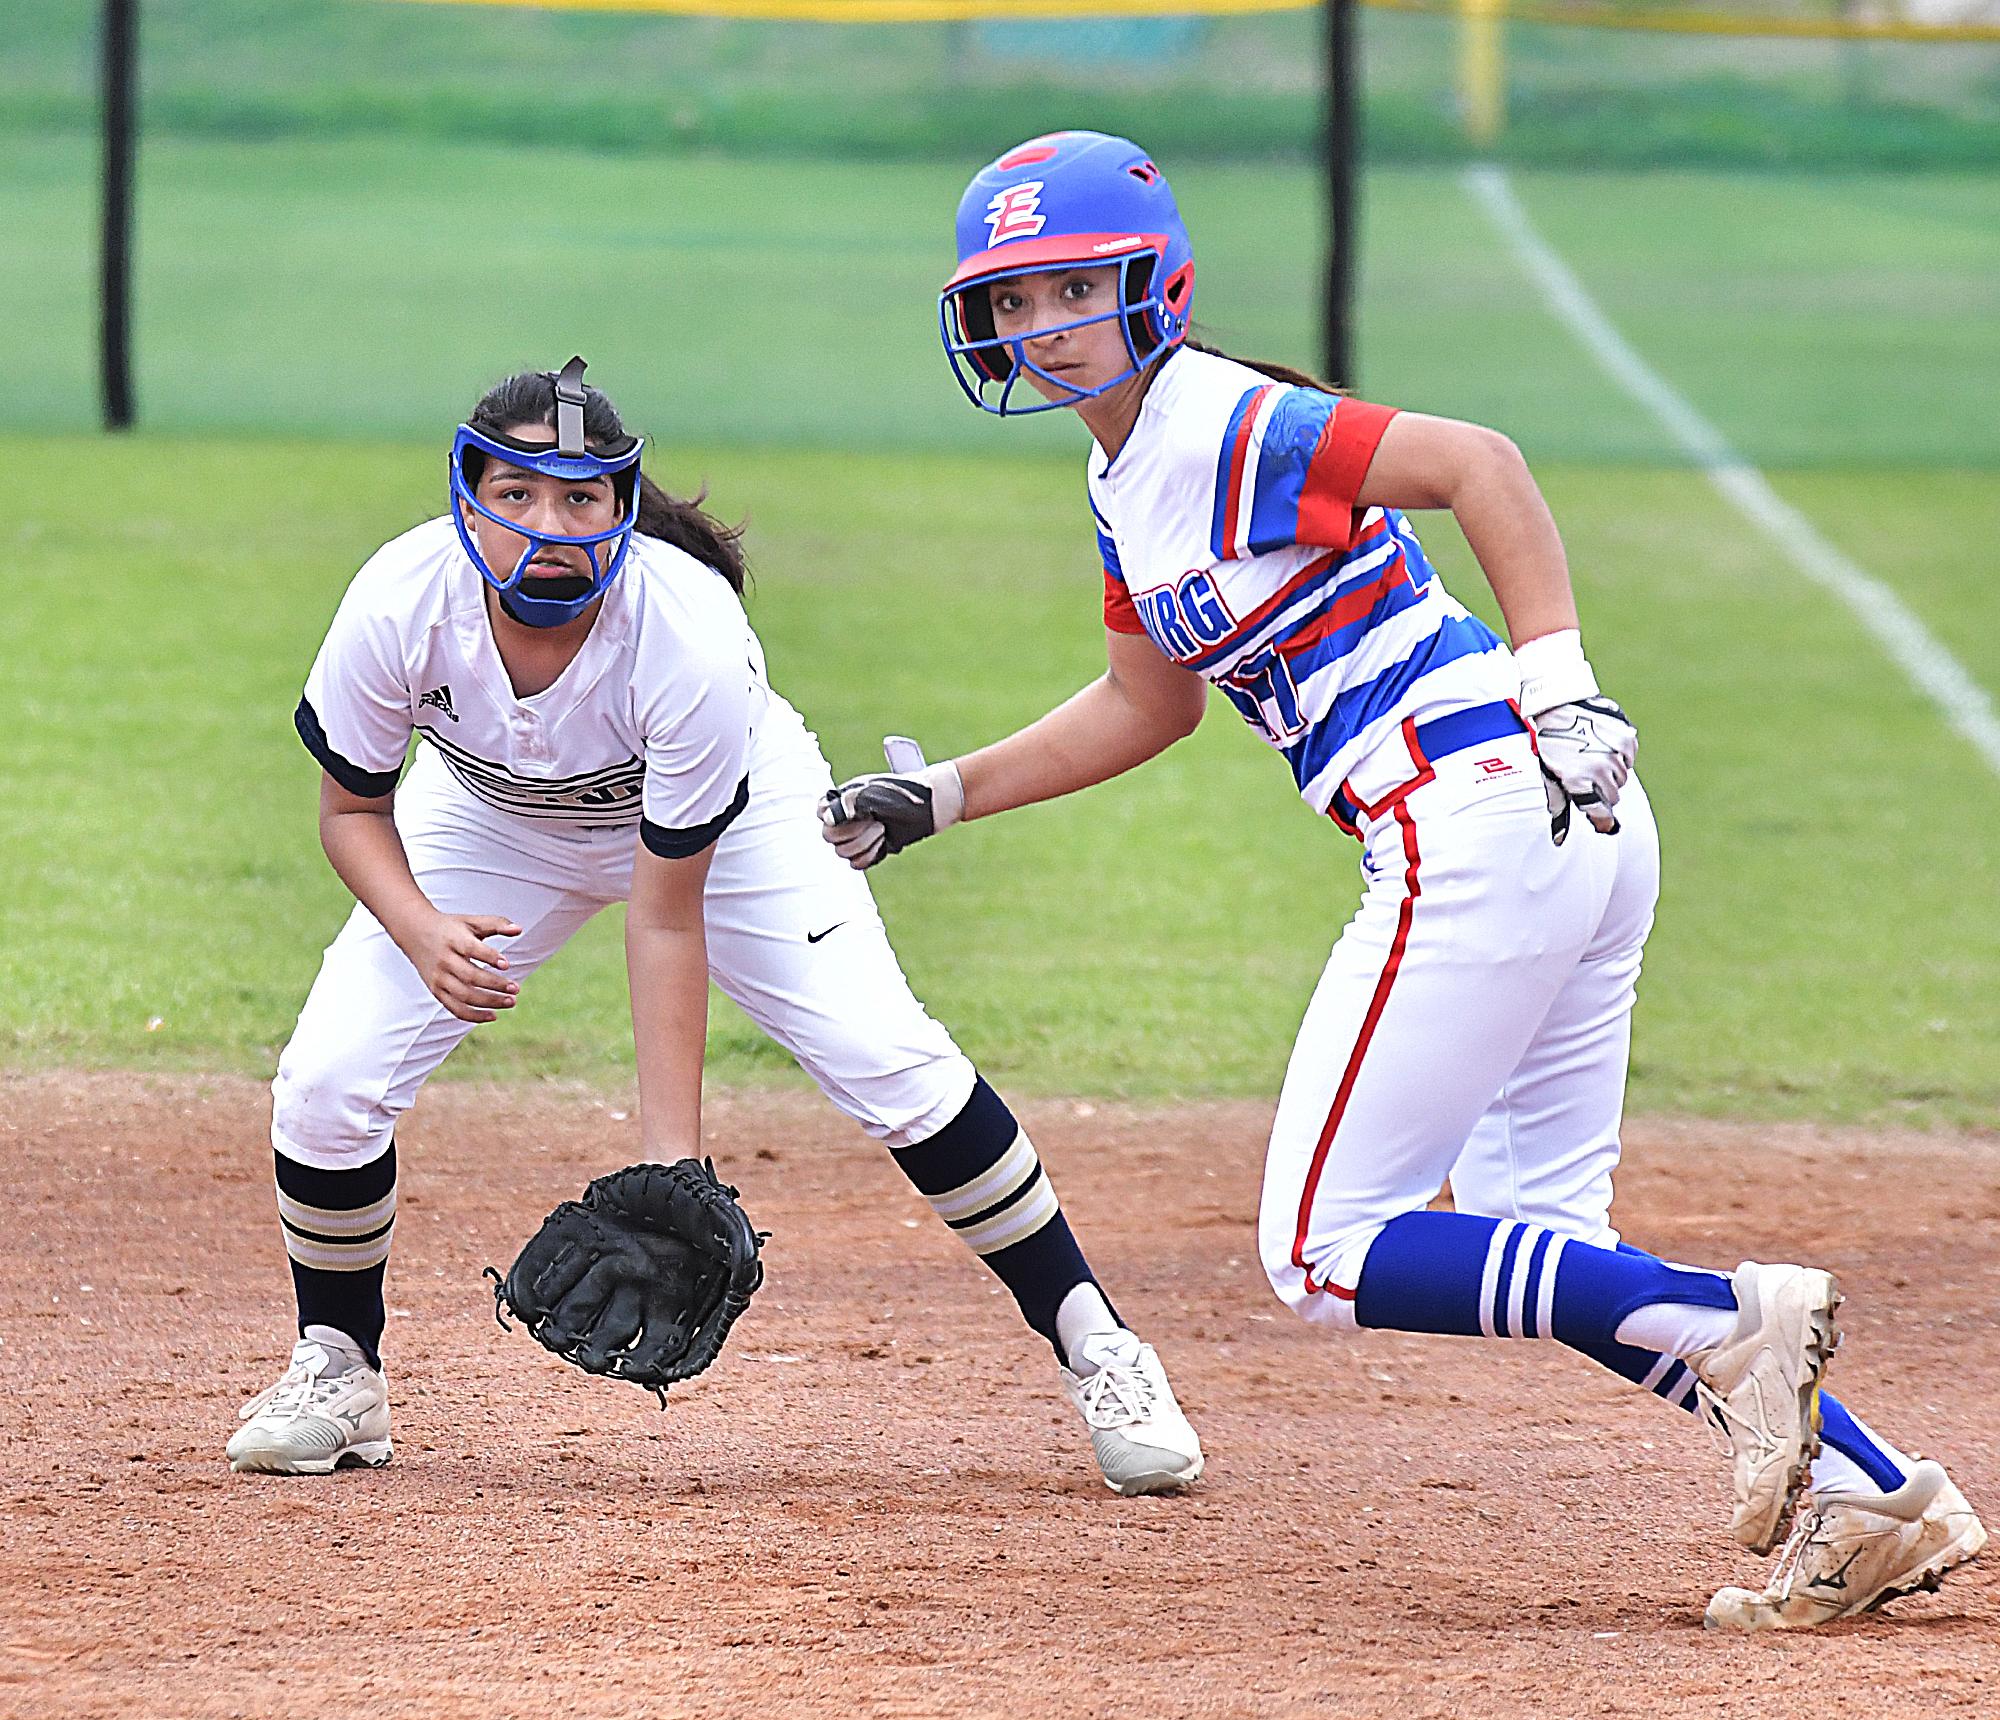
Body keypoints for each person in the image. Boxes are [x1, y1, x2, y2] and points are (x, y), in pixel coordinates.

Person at [820, 132, 1982, 1628]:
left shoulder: (1225, 421)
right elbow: (1147, 699)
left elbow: (1475, 463)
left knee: (1322, 1246)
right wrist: (942, 794)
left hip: (1482, 805)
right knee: (1545, 1242)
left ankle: (1739, 1324)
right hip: (1545, 829)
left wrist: (1562, 675)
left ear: (1149, 283)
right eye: (1010, 297)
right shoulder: (1128, 477)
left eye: (1068, 288)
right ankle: (1865, 1493)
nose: (1038, 324)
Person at [226, 356, 1202, 1498]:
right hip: (486, 814)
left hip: (727, 826)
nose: (549, 524)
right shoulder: (400, 598)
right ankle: (337, 1367)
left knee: (886, 1056)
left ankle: (1101, 1349)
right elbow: (351, 809)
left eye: (581, 497)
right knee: (325, 1082)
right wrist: (419, 925)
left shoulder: (681, 631)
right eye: (518, 493)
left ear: (623, 509)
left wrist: (667, 1160)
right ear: (467, 497)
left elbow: (664, 915)